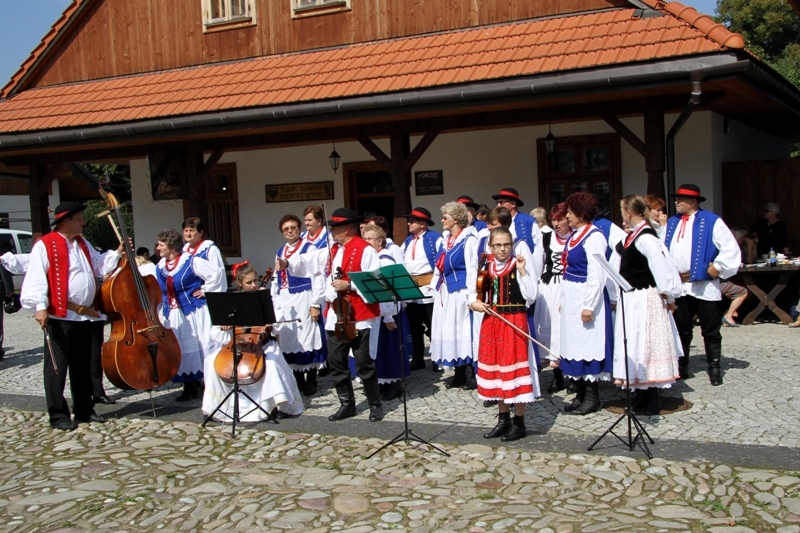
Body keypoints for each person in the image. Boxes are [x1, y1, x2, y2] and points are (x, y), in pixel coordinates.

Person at [21, 202, 124, 431]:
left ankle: (84, 410)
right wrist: (40, 306)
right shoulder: (45, 244)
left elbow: (97, 266)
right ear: (66, 221)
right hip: (60, 315)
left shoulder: (82, 243)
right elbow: (36, 276)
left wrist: (117, 254)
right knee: (57, 368)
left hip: (83, 316)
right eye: (79, 218)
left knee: (82, 365)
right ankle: (58, 415)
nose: (83, 222)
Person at [278, 207, 384, 422]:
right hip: (336, 314)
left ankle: (375, 404)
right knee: (336, 361)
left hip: (359, 315)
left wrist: (349, 285)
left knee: (364, 363)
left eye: (335, 227)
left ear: (346, 229)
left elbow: (375, 282)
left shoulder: (365, 250)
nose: (331, 231)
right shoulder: (333, 249)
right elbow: (309, 260)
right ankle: (347, 405)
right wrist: (287, 263)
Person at [201, 264, 304, 421]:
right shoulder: (231, 301)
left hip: (263, 344)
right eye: (249, 282)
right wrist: (225, 326)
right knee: (210, 361)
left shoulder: (266, 298)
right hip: (236, 343)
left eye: (255, 280)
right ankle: (216, 407)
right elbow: (216, 334)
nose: (254, 285)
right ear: (240, 283)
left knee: (271, 365)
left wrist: (269, 314)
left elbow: (278, 326)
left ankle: (275, 406)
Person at [664, 183, 741, 386]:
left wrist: (718, 266)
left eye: (680, 199)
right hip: (680, 286)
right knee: (682, 329)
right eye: (676, 198)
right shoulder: (672, 222)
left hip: (704, 286)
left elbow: (730, 248)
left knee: (710, 330)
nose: (676, 202)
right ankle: (681, 367)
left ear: (693, 201)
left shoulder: (712, 221)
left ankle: (714, 368)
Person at [614, 195, 683, 416]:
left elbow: (662, 269)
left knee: (647, 342)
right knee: (635, 342)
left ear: (628, 212)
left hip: (645, 297)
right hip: (631, 296)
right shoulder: (633, 236)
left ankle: (652, 395)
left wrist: (670, 297)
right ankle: (640, 392)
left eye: (622, 210)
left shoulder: (646, 238)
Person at [471, 227, 540, 441]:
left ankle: (519, 423)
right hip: (492, 322)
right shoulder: (486, 266)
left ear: (512, 245)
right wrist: (474, 304)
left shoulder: (517, 264)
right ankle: (503, 420)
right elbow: (473, 293)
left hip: (514, 322)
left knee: (515, 370)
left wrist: (523, 271)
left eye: (506, 244)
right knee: (498, 370)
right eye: (498, 245)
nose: (502, 249)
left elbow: (532, 295)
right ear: (490, 247)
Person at [557, 192, 614, 415]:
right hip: (573, 297)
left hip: (586, 297)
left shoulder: (594, 237)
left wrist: (589, 305)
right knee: (574, 345)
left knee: (588, 344)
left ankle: (592, 396)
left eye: (570, 212)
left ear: (581, 214)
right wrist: (564, 300)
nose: (567, 216)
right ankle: (580, 393)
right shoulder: (575, 235)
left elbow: (597, 274)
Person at [155, 228, 226, 400]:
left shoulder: (191, 261)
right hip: (173, 314)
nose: (157, 248)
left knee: (201, 345)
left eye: (161, 245)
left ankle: (208, 385)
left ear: (172, 247)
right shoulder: (160, 266)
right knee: (180, 347)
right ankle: (189, 386)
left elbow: (216, 274)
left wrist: (205, 290)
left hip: (193, 311)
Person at [271, 214, 326, 396]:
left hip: (304, 296)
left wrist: (315, 303)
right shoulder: (280, 251)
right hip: (286, 299)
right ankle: (297, 377)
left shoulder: (308, 247)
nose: (290, 231)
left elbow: (317, 276)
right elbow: (276, 278)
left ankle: (312, 378)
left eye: (293, 227)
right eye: (286, 229)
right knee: (289, 336)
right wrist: (275, 298)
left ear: (299, 229)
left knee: (307, 336)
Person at [430, 201, 479, 389]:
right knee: (452, 330)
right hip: (446, 292)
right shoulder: (446, 240)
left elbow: (472, 269)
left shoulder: (468, 239)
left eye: (445, 217)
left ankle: (474, 374)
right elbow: (439, 268)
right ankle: (459, 373)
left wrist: (471, 296)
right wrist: (434, 288)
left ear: (456, 219)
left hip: (461, 291)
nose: (442, 220)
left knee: (464, 331)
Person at [362, 223, 413, 401]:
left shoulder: (385, 259)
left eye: (371, 238)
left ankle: (394, 384)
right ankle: (380, 383)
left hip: (387, 311)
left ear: (380, 240)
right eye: (365, 238)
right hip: (375, 311)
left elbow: (389, 291)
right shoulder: (370, 257)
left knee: (389, 349)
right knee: (377, 349)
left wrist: (388, 316)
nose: (367, 242)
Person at [534, 203, 570, 394]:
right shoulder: (546, 238)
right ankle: (558, 376)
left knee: (568, 331)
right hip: (549, 288)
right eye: (553, 220)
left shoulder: (576, 237)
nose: (556, 224)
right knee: (551, 331)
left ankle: (573, 375)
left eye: (560, 219)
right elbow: (537, 265)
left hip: (569, 286)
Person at [401, 207, 442, 372]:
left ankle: (437, 359)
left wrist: (435, 285)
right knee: (414, 326)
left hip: (428, 289)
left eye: (412, 221)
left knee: (433, 325)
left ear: (423, 224)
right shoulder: (408, 241)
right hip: (412, 290)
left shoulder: (435, 238)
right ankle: (418, 358)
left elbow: (440, 263)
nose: (409, 223)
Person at [492, 187, 542, 261]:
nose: (498, 205)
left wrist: (535, 267)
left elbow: (539, 248)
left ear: (513, 204)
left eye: (501, 202)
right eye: (497, 203)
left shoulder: (528, 221)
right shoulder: (495, 222)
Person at [720, 227, 756, 328]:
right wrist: (750, 247)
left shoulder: (740, 247)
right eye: (743, 236)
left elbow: (751, 260)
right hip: (728, 279)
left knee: (753, 289)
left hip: (735, 278)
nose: (745, 239)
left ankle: (729, 312)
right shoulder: (732, 249)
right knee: (747, 290)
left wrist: (753, 247)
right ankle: (728, 315)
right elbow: (749, 262)